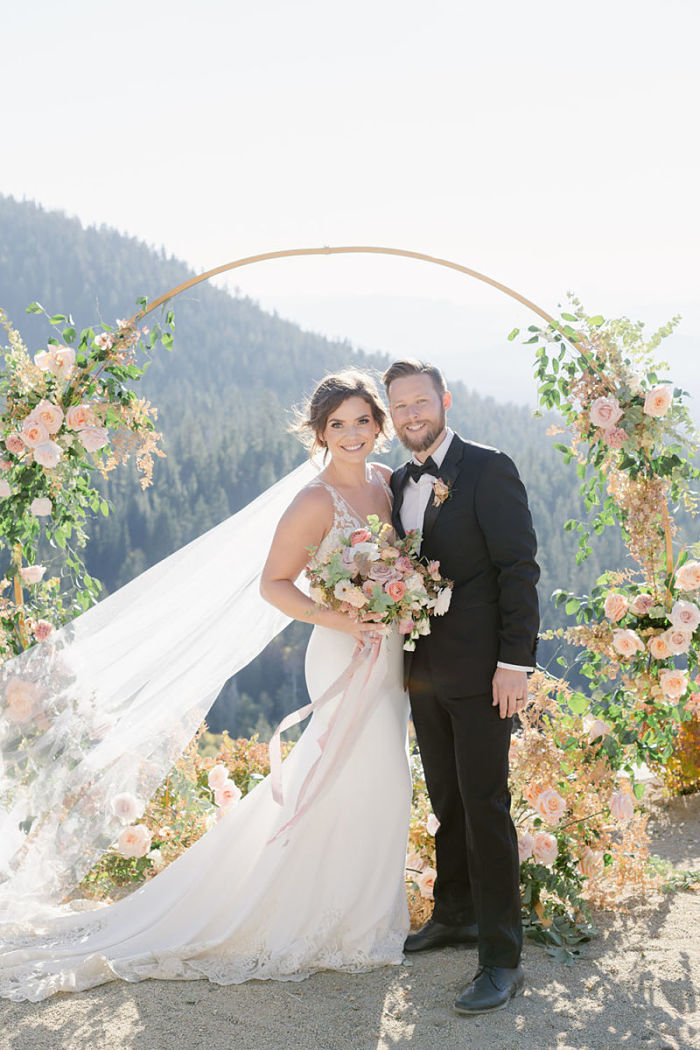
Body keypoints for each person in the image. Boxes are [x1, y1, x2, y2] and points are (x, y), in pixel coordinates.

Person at [0, 369, 413, 1003]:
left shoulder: (389, 485)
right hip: (340, 648)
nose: (353, 434)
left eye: (363, 420)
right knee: (342, 771)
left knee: (385, 777)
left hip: (387, 654)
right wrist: (342, 616)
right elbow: (273, 584)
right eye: (339, 424)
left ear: (379, 426)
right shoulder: (312, 500)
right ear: (320, 433)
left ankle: (363, 912)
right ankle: (320, 917)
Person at [383, 359, 540, 1017]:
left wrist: (516, 663)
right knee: (447, 799)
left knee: (485, 805)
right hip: (421, 671)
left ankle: (501, 958)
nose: (411, 415)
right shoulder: (397, 480)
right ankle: (453, 914)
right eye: (400, 408)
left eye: (420, 402)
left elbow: (518, 568)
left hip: (483, 675)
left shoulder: (487, 466)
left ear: (444, 400)